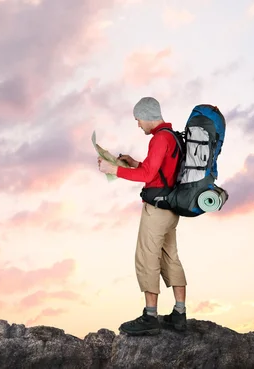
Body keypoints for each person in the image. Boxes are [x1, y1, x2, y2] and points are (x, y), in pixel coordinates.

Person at [97, 96, 187, 336]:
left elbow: (148, 176)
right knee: (170, 257)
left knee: (147, 257)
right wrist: (132, 163)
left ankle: (150, 317)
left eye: (138, 120)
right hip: (172, 206)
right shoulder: (174, 138)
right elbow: (160, 172)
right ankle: (179, 314)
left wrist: (113, 169)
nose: (138, 125)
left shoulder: (159, 139)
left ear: (147, 116)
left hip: (157, 209)